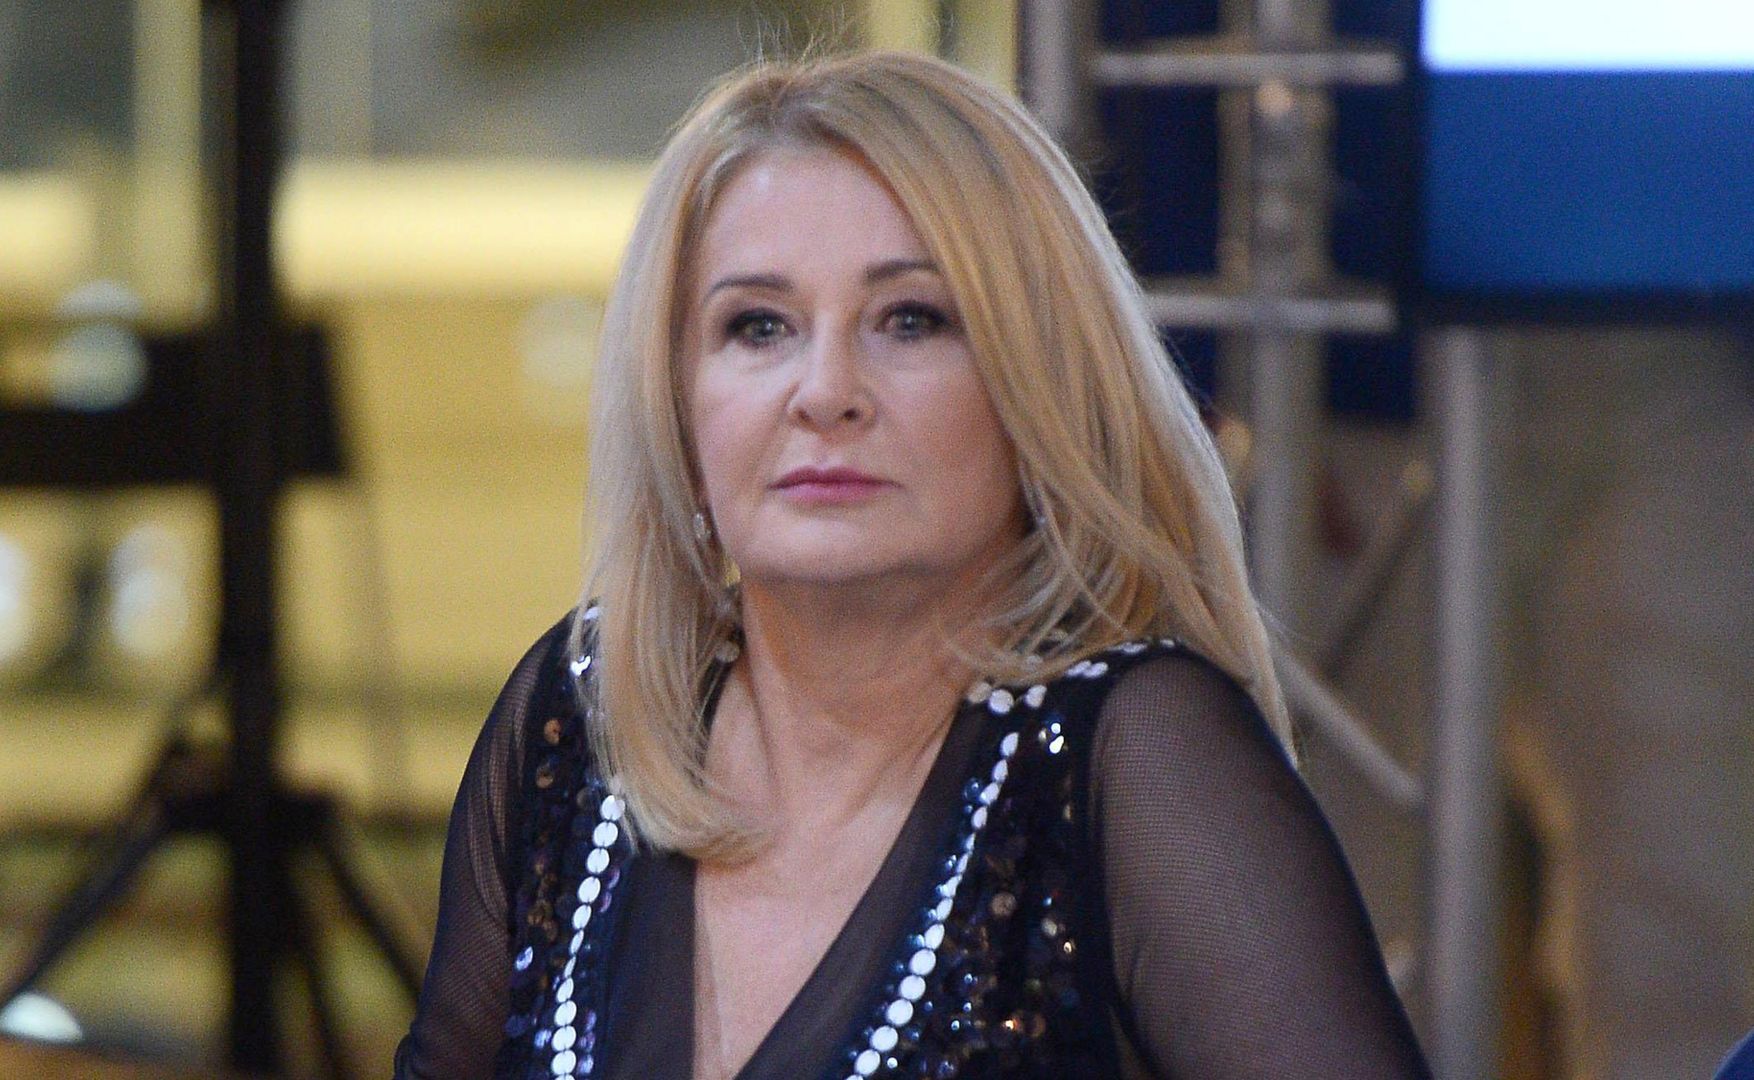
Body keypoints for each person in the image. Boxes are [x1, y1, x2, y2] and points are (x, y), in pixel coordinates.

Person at [393, 50, 1430, 1079]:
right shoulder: (585, 714)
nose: (825, 392)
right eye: (758, 326)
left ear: (1037, 389)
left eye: (911, 320)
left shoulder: (1139, 755)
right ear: (677, 403)